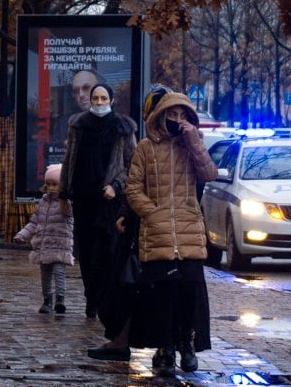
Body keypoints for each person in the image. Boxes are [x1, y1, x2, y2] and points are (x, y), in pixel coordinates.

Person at [125, 90, 218, 376]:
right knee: (161, 293)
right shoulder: (145, 147)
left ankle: (186, 343)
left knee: (190, 289)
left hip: (189, 231)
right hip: (157, 231)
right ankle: (164, 346)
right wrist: (151, 212)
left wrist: (194, 142)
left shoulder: (193, 145)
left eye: (183, 115)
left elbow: (209, 174)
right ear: (161, 115)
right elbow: (133, 187)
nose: (177, 120)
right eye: (172, 114)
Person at [58, 83, 137, 321]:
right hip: (84, 198)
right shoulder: (78, 125)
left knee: (108, 251)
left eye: (104, 98)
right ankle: (91, 299)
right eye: (96, 98)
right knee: (87, 253)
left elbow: (131, 164)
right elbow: (69, 159)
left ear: (111, 101)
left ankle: (104, 299)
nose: (99, 102)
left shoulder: (123, 127)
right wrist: (64, 193)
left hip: (110, 201)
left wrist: (116, 185)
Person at [14, 164, 74, 315]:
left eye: (55, 184)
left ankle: (60, 299)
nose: (51, 187)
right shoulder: (43, 202)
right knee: (45, 274)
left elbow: (70, 214)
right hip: (44, 245)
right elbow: (34, 222)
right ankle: (47, 300)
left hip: (60, 244)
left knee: (59, 272)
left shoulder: (65, 203)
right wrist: (22, 235)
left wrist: (64, 197)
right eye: (48, 184)